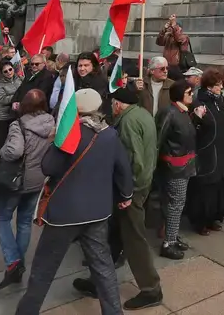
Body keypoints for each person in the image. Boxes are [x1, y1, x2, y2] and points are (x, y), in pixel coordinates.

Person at [14, 89, 132, 315]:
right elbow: (123, 168)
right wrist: (126, 195)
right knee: (103, 266)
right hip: (97, 211)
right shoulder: (109, 134)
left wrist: (55, 141)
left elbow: (48, 167)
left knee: (43, 268)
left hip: (64, 213)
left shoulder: (70, 134)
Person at [89, 83, 162, 309]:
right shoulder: (142, 114)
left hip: (132, 190)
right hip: (140, 185)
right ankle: (98, 281)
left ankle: (151, 289)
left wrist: (127, 192)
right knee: (114, 235)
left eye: (113, 103)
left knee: (134, 239)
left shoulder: (128, 122)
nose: (112, 107)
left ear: (119, 105)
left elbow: (134, 161)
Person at [0, 88, 52, 291]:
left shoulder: (19, 124)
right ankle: (20, 264)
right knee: (24, 221)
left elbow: (14, 151)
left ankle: (13, 261)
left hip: (19, 180)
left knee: (2, 218)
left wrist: (2, 150)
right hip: (38, 179)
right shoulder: (51, 122)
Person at [155, 80, 199, 260]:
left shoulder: (183, 112)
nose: (192, 95)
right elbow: (158, 139)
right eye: (189, 92)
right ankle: (169, 242)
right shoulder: (169, 113)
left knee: (176, 203)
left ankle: (172, 235)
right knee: (176, 203)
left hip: (184, 164)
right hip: (174, 166)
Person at [187, 68, 224, 234]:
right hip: (208, 152)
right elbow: (195, 128)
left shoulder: (219, 101)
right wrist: (198, 118)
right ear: (209, 87)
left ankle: (213, 218)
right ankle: (200, 222)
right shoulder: (199, 102)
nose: (221, 87)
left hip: (221, 151)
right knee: (205, 189)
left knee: (218, 188)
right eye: (218, 85)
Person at [0, 59, 22, 152]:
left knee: (15, 139)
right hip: (5, 117)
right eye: (5, 71)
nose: (9, 72)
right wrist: (17, 96)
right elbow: (1, 99)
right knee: (2, 140)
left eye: (10, 69)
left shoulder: (19, 79)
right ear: (2, 73)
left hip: (18, 114)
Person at [156, 15, 193, 80]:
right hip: (167, 66)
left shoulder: (184, 37)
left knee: (176, 82)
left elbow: (178, 39)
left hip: (178, 67)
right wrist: (164, 30)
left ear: (180, 28)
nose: (171, 28)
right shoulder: (168, 36)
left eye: (174, 27)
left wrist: (174, 25)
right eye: (171, 27)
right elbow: (159, 42)